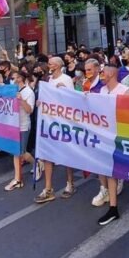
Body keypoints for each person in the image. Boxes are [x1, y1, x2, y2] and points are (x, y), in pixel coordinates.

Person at [94, 61, 129, 225]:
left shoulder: (124, 91)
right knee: (110, 171)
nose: (100, 75)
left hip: (122, 136)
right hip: (107, 136)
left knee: (127, 171)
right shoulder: (102, 90)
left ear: (110, 74)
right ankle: (113, 208)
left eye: (102, 73)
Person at [34, 57, 77, 203]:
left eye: (51, 63)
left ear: (58, 65)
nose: (49, 65)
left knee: (67, 154)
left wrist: (63, 91)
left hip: (63, 122)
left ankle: (70, 183)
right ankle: (48, 188)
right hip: (50, 121)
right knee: (47, 154)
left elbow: (72, 100)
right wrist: (40, 102)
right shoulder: (48, 80)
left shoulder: (66, 79)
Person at [4, 69, 36, 191]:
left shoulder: (28, 92)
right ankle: (18, 179)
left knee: (21, 152)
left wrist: (21, 100)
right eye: (12, 78)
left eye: (16, 78)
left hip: (23, 125)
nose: (13, 80)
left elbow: (29, 110)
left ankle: (35, 163)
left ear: (21, 78)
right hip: (13, 125)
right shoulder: (12, 90)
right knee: (16, 152)